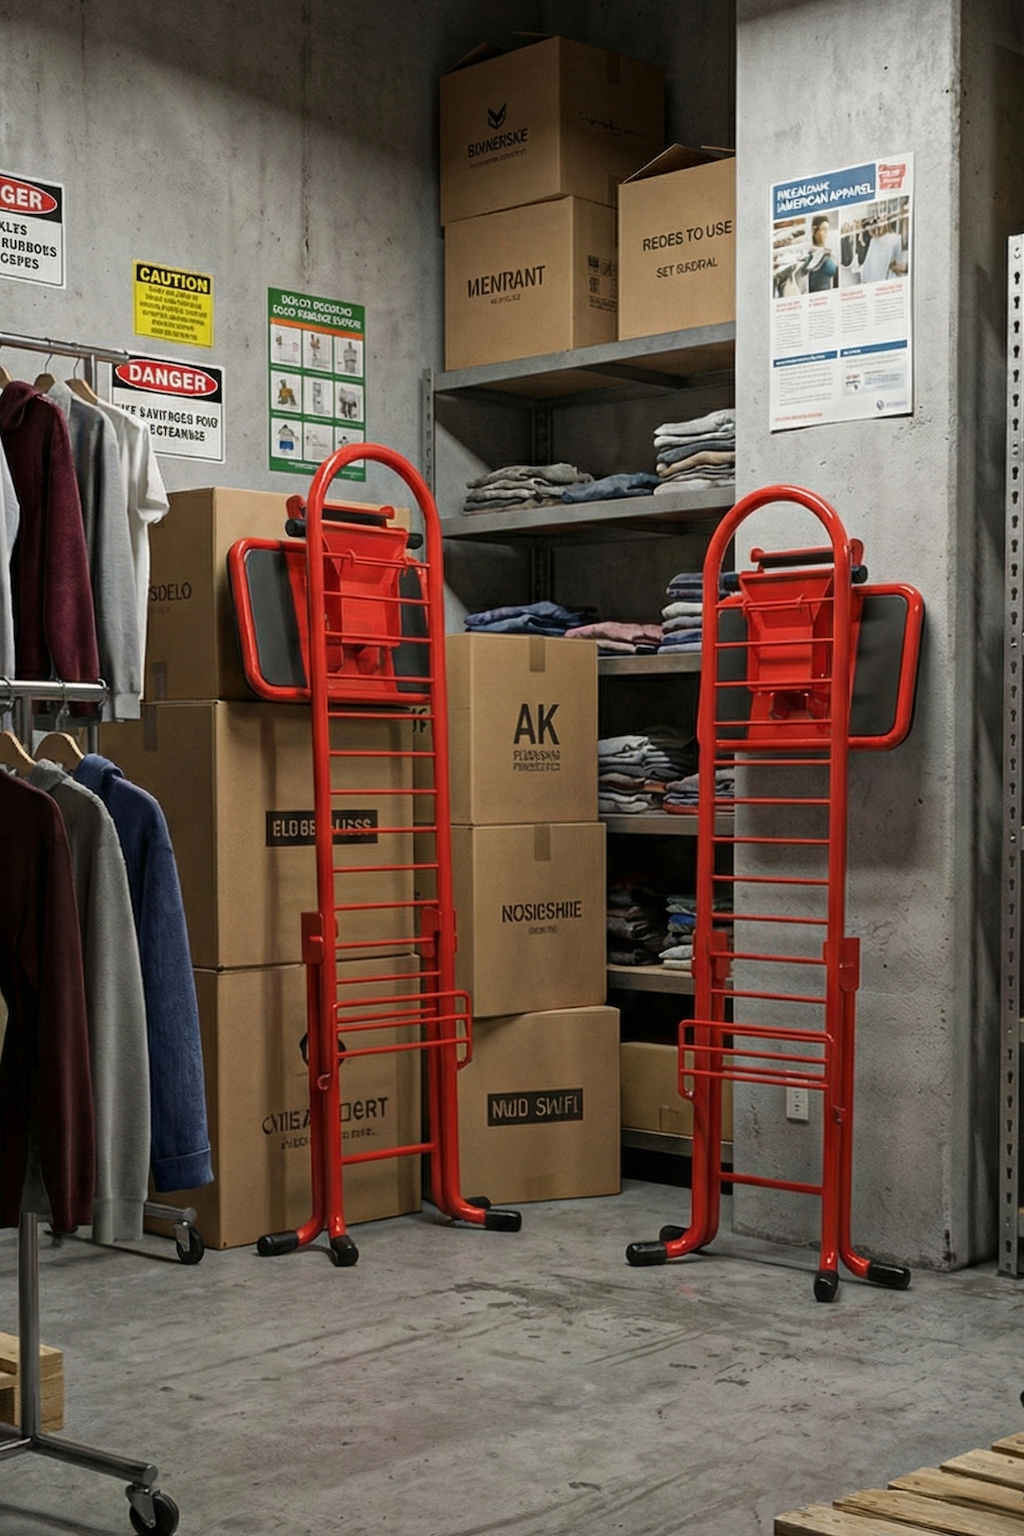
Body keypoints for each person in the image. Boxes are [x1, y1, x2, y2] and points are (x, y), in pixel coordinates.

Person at [798, 215, 838, 292]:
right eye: (823, 229)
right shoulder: (808, 253)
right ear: (814, 230)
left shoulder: (828, 251)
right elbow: (803, 272)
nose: (826, 233)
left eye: (827, 230)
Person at [860, 218, 905, 283]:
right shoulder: (874, 241)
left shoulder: (896, 239)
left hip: (884, 278)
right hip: (888, 277)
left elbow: (868, 264)